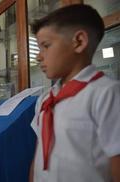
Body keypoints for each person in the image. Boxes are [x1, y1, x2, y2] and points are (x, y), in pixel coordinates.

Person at [29, 4, 120, 182]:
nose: (38, 56)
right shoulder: (46, 99)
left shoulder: (106, 94)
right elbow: (39, 155)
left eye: (45, 46)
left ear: (78, 42)